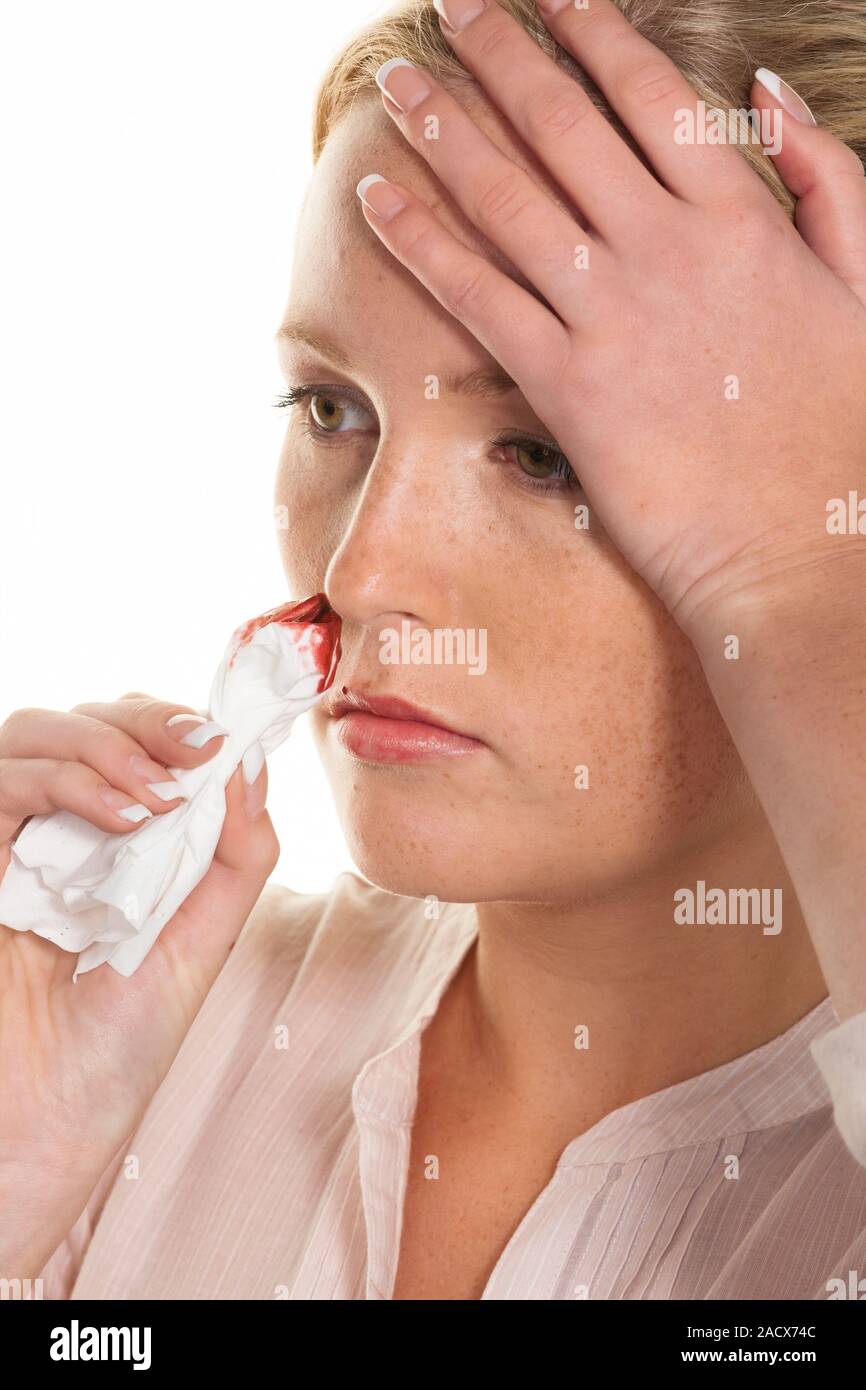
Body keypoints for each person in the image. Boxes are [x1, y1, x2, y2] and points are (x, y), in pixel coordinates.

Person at [2, 0, 866, 1301]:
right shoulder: (120, 1041)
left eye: (545, 449)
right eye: (330, 407)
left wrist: (807, 586)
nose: (360, 575)